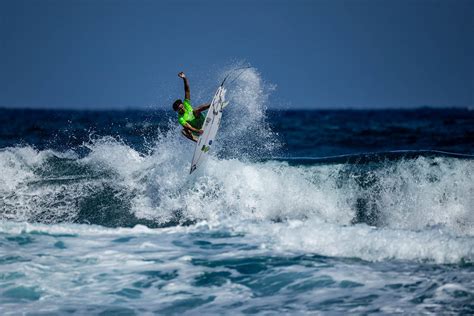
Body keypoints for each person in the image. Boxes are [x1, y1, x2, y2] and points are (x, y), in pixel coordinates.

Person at [172, 72, 210, 142]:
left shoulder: (186, 103)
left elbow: (187, 90)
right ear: (177, 111)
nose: (182, 109)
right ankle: (197, 140)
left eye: (182, 106)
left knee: (195, 110)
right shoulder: (181, 118)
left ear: (183, 104)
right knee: (183, 131)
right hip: (196, 130)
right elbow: (188, 127)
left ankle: (212, 105)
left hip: (202, 121)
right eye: (180, 109)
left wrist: (184, 78)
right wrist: (198, 131)